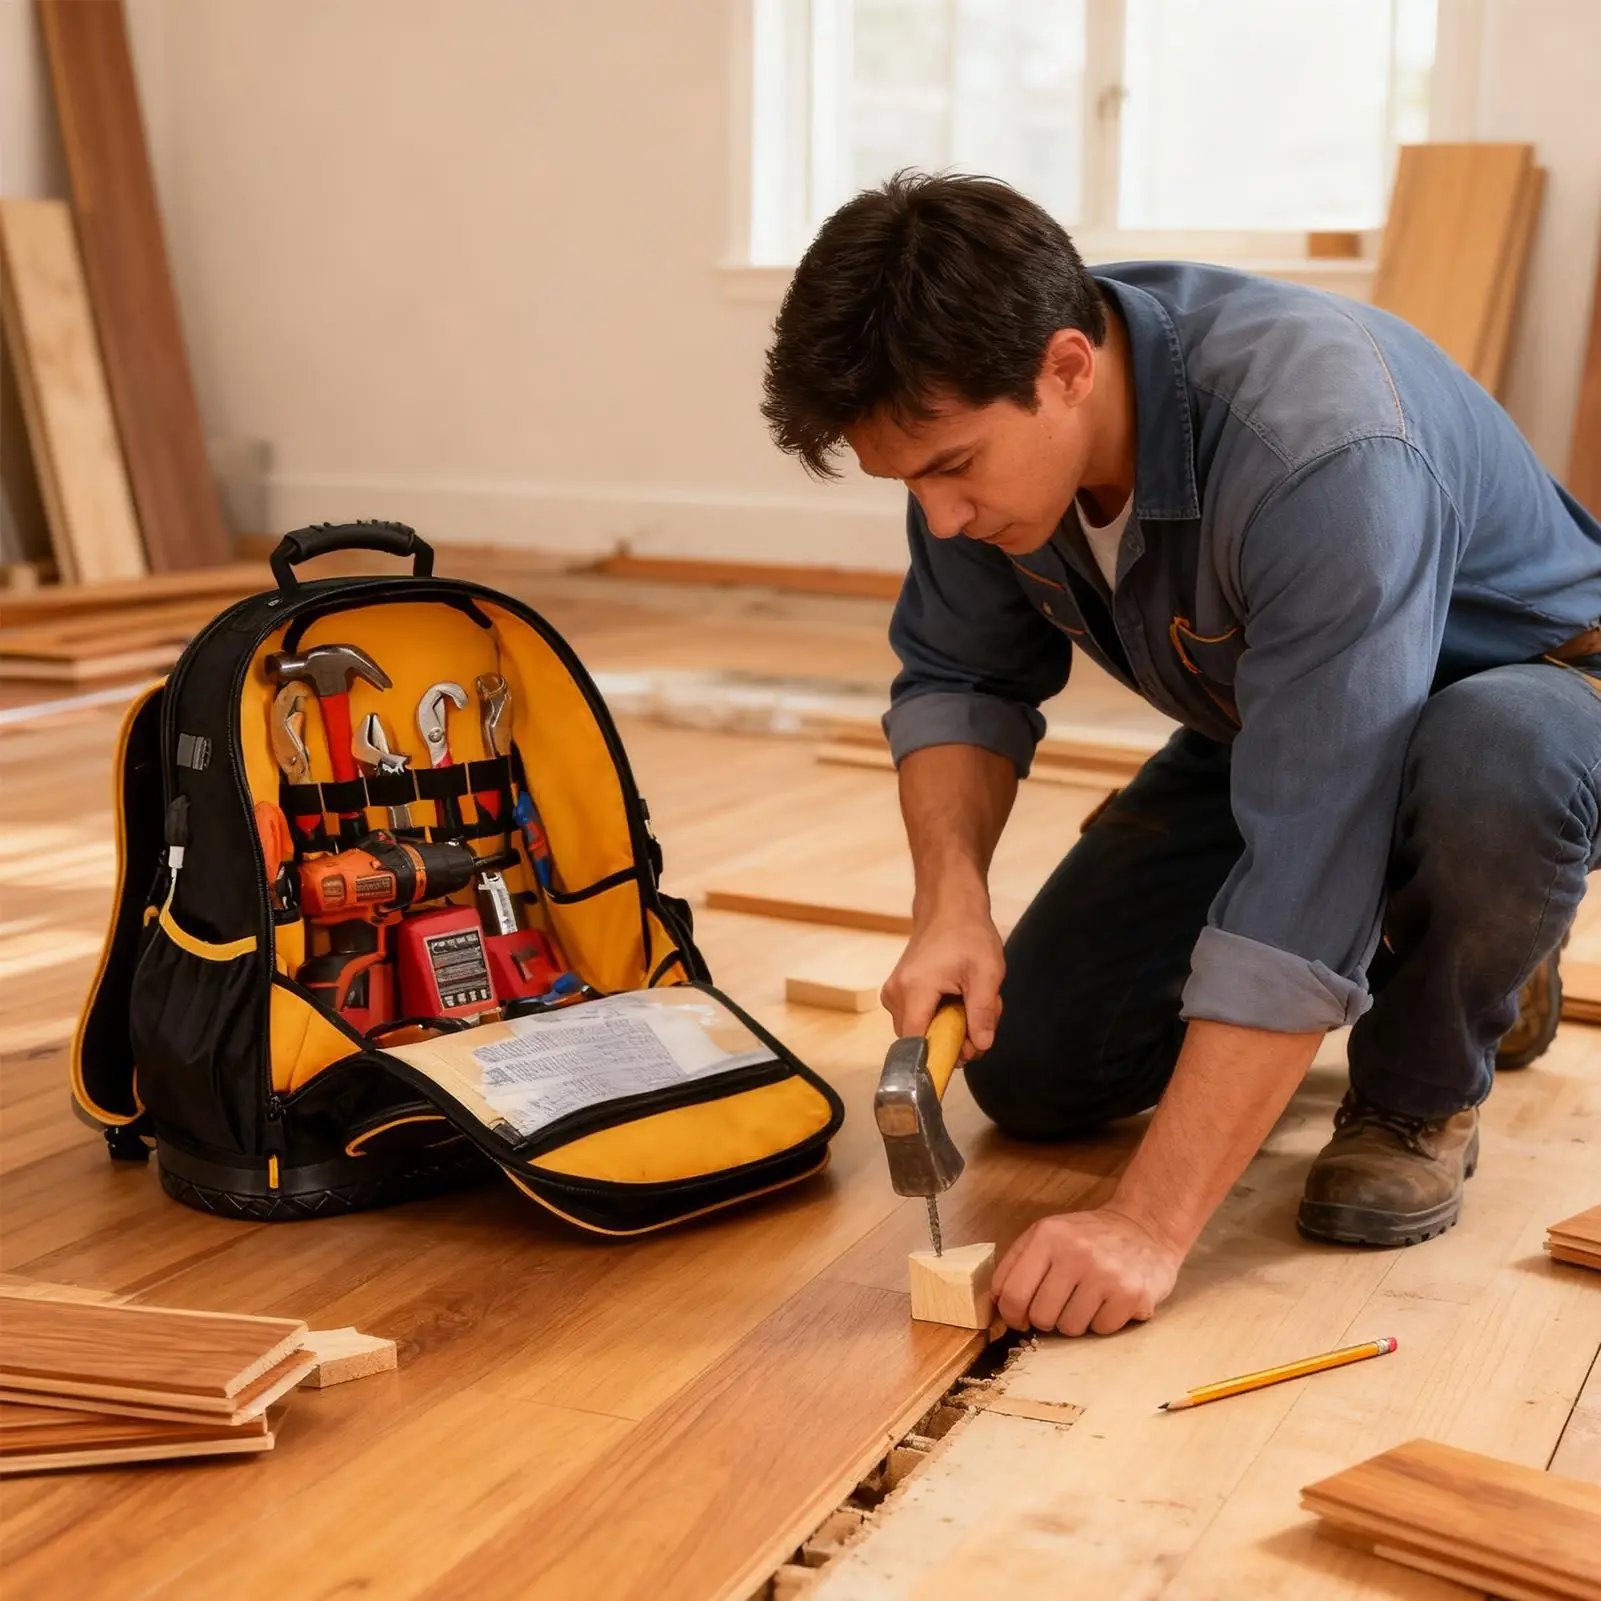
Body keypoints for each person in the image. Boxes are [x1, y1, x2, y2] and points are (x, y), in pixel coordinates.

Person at [759, 171, 1601, 1337]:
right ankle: (1461, 929)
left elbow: (1310, 848)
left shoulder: (1318, 445)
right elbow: (961, 676)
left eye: (950, 467)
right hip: (1282, 715)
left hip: (1535, 699)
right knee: (1039, 1067)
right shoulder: (966, 438)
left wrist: (1149, 1223)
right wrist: (948, 903)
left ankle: (1425, 1069)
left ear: (1066, 367)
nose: (937, 517)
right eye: (908, 482)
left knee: (1486, 762)